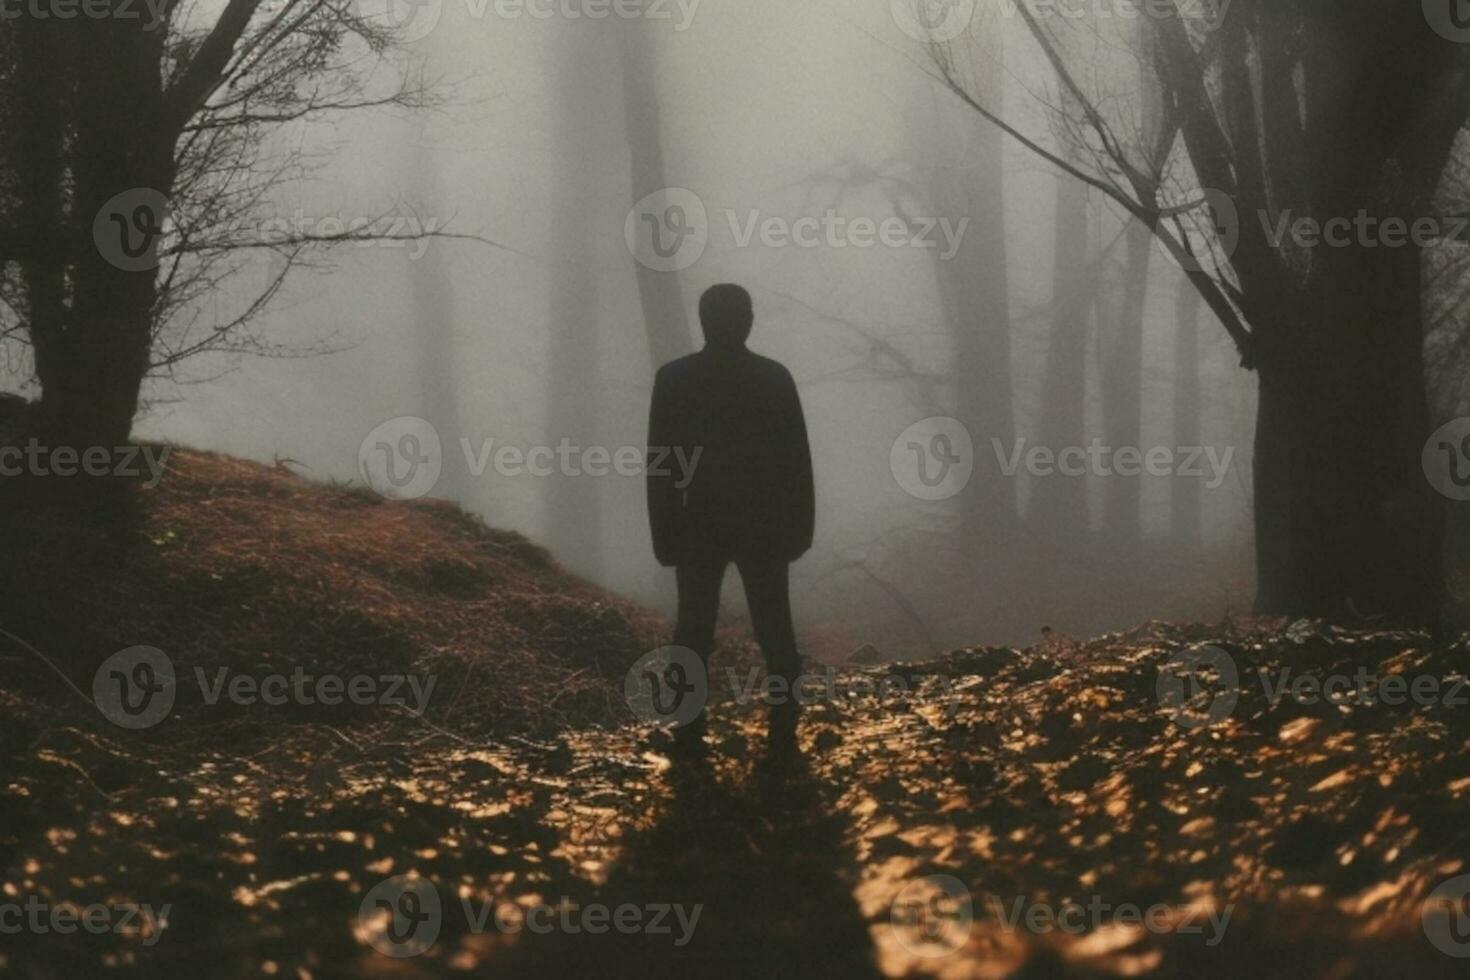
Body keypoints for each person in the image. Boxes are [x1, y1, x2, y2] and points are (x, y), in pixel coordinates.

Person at [646, 283, 815, 755]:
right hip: (764, 526)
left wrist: (665, 532)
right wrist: (801, 527)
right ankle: (785, 731)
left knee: (694, 627)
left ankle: (687, 728)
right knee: (775, 628)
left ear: (704, 321)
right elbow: (796, 461)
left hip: (696, 526)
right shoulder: (773, 378)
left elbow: (663, 465)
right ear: (747, 319)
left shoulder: (674, 379)